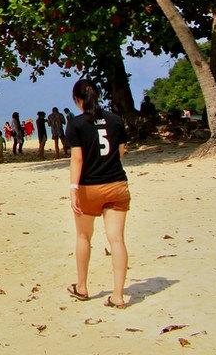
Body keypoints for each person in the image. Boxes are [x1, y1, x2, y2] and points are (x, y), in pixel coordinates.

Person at [66, 79, 131, 308]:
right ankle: (118, 296)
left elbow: (77, 158)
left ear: (77, 99)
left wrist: (73, 188)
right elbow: (121, 151)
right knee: (116, 240)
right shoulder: (115, 120)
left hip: (89, 187)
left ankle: (82, 287)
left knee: (84, 236)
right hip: (116, 184)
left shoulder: (76, 124)